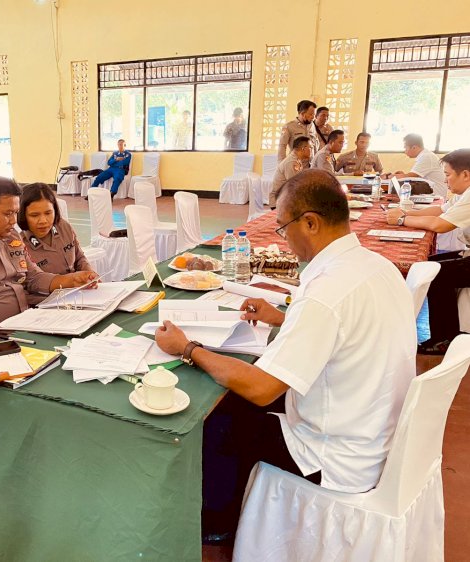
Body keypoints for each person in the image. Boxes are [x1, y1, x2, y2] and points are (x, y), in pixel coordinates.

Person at [155, 169, 416, 537]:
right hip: (370, 428)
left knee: (218, 418)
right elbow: (344, 330)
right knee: (237, 402)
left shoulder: (327, 291)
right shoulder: (377, 266)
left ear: (310, 222)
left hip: (335, 454)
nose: (283, 238)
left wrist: (187, 348)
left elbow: (263, 389)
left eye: (283, 227)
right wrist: (281, 316)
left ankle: (218, 522)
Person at [0, 176, 98, 337]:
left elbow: (33, 278)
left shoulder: (11, 237)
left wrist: (73, 279)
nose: (14, 221)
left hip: (24, 328)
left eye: (16, 213)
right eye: (8, 214)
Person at [384, 149, 470, 354]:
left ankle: (445, 339)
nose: (446, 181)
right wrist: (404, 212)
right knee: (429, 263)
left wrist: (402, 220)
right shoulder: (463, 194)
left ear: (465, 175)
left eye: (448, 175)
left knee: (435, 274)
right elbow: (439, 210)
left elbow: (440, 224)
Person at [18, 183, 94, 304]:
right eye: (34, 215)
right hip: (47, 303)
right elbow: (27, 287)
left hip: (78, 295)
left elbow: (79, 257)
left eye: (48, 213)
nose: (43, 221)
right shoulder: (18, 244)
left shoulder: (63, 227)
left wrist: (89, 274)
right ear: (22, 215)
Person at [383, 133, 447, 198]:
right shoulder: (425, 155)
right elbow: (413, 177)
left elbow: (409, 176)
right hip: (429, 191)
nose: (404, 151)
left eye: (405, 148)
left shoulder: (426, 157)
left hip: (435, 195)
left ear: (414, 147)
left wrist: (388, 176)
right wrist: (402, 175)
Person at [269, 136, 311, 208]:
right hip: (279, 202)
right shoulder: (291, 162)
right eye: (310, 148)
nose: (311, 150)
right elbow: (294, 187)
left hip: (286, 198)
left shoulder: (297, 160)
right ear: (303, 149)